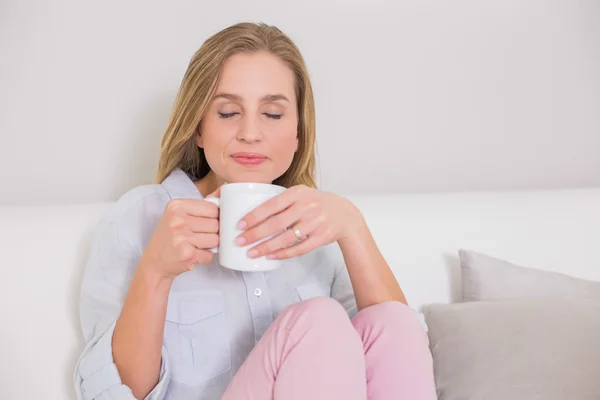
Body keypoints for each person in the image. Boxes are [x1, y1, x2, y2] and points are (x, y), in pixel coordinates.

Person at [74, 22, 436, 400]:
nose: (250, 132)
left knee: (395, 320)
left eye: (274, 114)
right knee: (319, 319)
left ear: (298, 133)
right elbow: (113, 393)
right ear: (199, 127)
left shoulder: (316, 227)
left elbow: (394, 355)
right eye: (229, 112)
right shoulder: (141, 216)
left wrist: (353, 228)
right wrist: (155, 272)